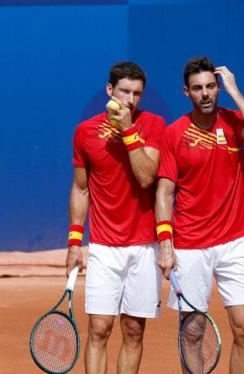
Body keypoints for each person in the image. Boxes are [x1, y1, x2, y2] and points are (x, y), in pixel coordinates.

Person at [155, 56, 244, 374]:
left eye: (210, 86)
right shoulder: (174, 133)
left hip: (234, 243)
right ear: (186, 92)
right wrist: (165, 242)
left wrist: (234, 91)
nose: (205, 93)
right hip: (191, 245)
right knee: (193, 332)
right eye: (197, 88)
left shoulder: (234, 123)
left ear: (217, 87)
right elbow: (164, 192)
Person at [65, 62, 166, 373]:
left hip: (144, 246)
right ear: (110, 91)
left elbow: (147, 177)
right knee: (98, 329)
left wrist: (127, 130)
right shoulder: (85, 132)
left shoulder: (154, 125)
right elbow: (80, 190)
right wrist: (74, 242)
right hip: (105, 248)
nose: (130, 100)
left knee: (134, 331)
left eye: (137, 94)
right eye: (124, 92)